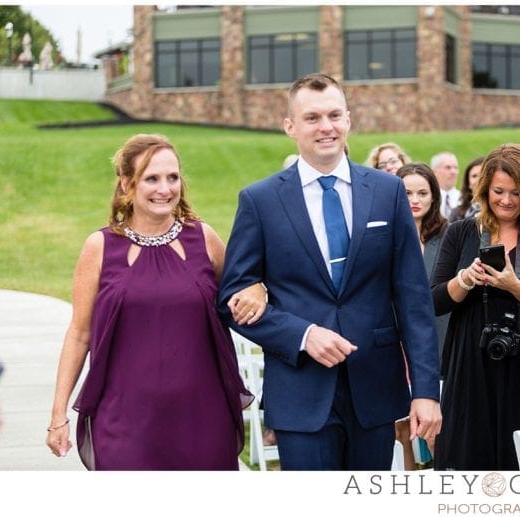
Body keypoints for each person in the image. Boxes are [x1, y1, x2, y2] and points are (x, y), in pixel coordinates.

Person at [217, 73, 442, 470]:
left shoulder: (388, 192)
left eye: (335, 115)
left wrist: (425, 391)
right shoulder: (260, 200)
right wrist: (302, 335)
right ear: (290, 127)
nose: (326, 127)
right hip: (300, 392)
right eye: (312, 117)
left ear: (349, 120)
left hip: (374, 389)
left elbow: (413, 299)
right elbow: (231, 301)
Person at [46, 134, 259, 470]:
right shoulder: (99, 247)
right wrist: (58, 415)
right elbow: (79, 333)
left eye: (172, 177)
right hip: (124, 420)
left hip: (202, 415)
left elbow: (243, 290)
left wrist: (257, 289)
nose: (165, 189)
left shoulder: (203, 238)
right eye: (152, 179)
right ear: (127, 184)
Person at [431, 144, 520, 470]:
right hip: (471, 360)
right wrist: (464, 280)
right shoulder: (461, 232)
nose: (506, 200)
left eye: (516, 192)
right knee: (471, 454)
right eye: (498, 191)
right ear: (484, 189)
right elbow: (435, 300)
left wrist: (514, 286)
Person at [396, 163, 451, 362]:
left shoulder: (449, 235)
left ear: (434, 196)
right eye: (407, 193)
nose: (415, 200)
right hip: (397, 336)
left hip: (441, 335)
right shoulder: (385, 236)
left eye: (422, 193)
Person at [449, 157, 484, 223]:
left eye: (482, 174)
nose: (479, 179)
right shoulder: (457, 214)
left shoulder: (500, 208)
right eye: (474, 176)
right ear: (468, 184)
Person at [432, 151, 461, 218]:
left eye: (456, 168)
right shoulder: (429, 198)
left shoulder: (464, 199)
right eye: (448, 167)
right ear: (434, 171)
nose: (453, 172)